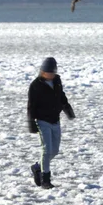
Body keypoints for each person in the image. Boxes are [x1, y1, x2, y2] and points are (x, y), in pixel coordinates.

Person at [27, 57, 75, 189]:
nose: (50, 75)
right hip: (43, 121)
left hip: (55, 120)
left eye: (52, 72)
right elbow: (31, 105)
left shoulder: (57, 81)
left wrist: (67, 109)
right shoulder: (35, 85)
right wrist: (31, 122)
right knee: (47, 150)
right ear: (42, 71)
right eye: (48, 72)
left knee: (54, 151)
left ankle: (37, 167)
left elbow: (61, 96)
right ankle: (45, 180)